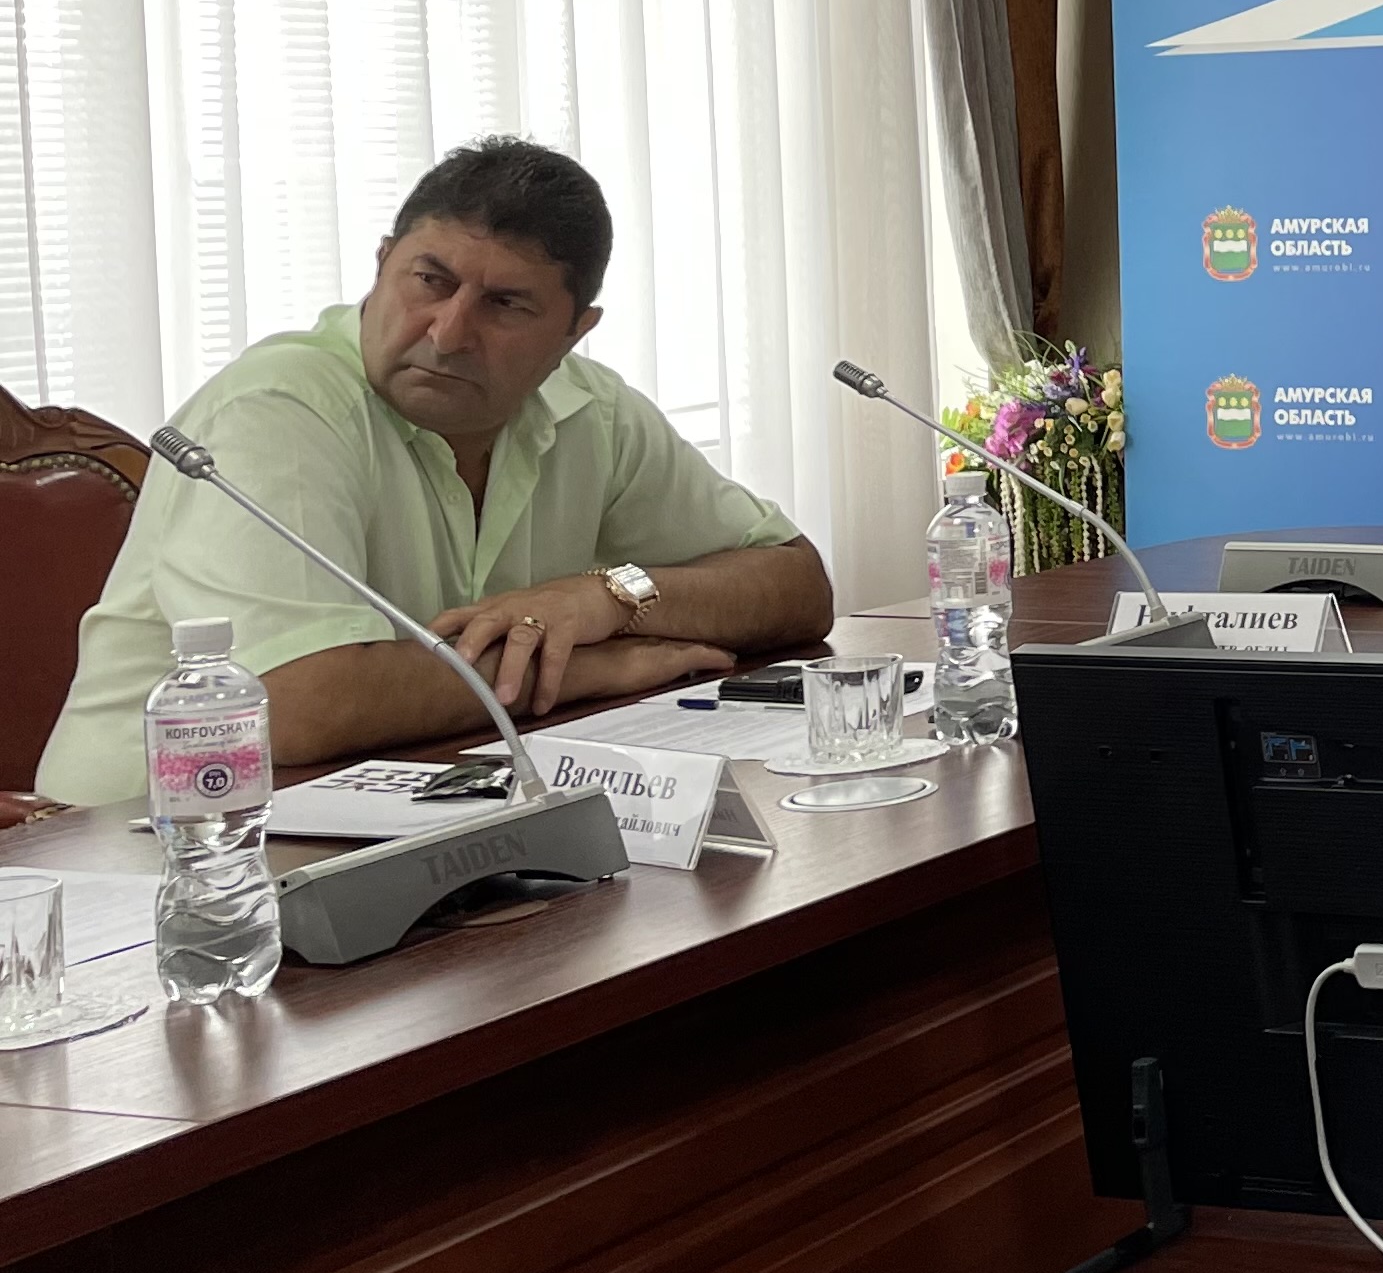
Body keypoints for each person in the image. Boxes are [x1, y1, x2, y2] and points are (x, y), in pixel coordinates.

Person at [37, 139, 837, 800]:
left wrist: (607, 598)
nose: (449, 333)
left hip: (413, 798)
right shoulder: (280, 407)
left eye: (506, 304)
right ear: (383, 262)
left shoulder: (590, 409)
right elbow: (298, 704)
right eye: (431, 281)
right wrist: (585, 667)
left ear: (574, 331)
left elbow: (797, 584)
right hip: (149, 841)